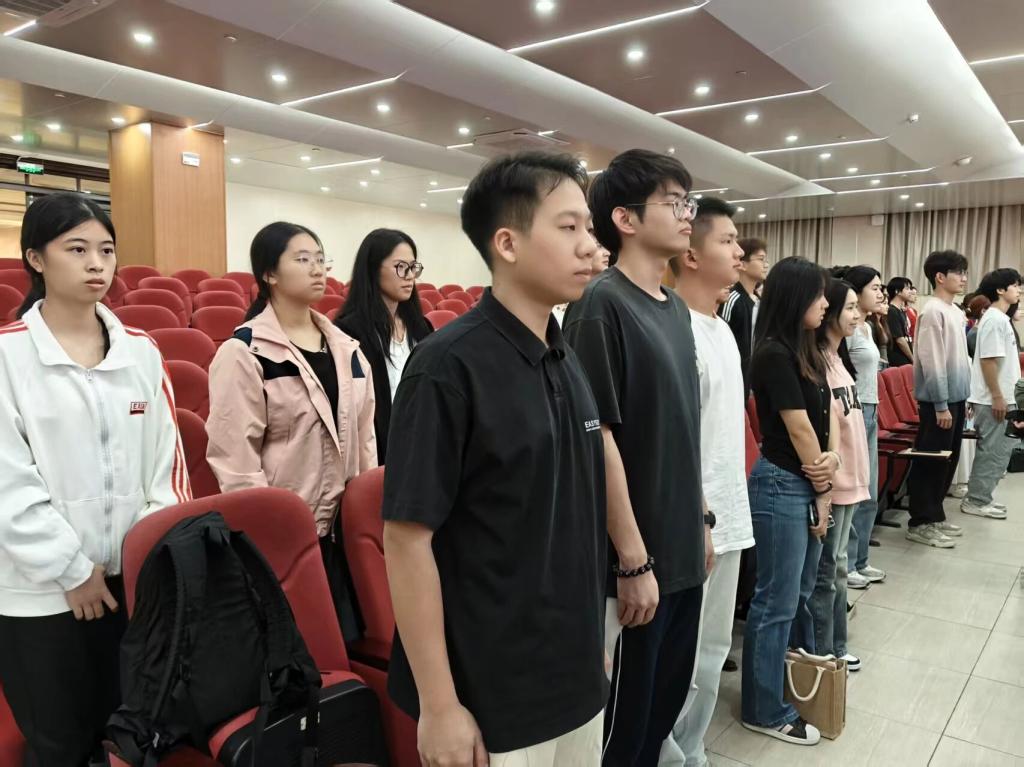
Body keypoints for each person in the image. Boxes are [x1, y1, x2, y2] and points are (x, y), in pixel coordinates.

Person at [382, 152, 608, 767]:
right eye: (568, 227)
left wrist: (589, 640)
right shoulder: (446, 367)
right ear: (507, 243)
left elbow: (572, 518)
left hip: (571, 672)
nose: (590, 247)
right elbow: (406, 541)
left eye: (588, 228)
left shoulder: (563, 354)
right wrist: (439, 706)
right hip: (494, 693)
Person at [0, 192, 189, 765]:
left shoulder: (141, 352)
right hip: (41, 593)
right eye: (77, 249)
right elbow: (8, 483)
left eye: (106, 250)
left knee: (129, 736)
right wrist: (72, 570)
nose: (96, 264)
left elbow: (167, 465)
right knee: (59, 742)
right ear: (36, 258)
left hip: (130, 586)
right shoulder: (8, 357)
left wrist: (144, 561)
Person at [564, 148, 711, 766]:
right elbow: (597, 437)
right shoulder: (600, 304)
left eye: (688, 202)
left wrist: (701, 520)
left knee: (659, 714)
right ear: (624, 219)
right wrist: (632, 558)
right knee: (622, 730)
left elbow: (681, 429)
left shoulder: (674, 307)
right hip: (636, 561)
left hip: (681, 547)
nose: (687, 214)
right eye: (673, 203)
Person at [206, 221, 377, 640]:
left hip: (342, 534)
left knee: (345, 647)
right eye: (302, 259)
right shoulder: (244, 353)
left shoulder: (348, 350)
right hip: (283, 539)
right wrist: (269, 533)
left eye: (320, 259)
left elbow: (365, 442)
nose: (318, 269)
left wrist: (365, 516)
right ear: (269, 273)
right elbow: (236, 461)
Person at [664, 197, 753, 766]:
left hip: (729, 512)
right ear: (691, 255)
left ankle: (692, 750)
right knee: (677, 656)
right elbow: (672, 442)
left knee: (712, 650)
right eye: (727, 241)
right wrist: (697, 517)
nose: (739, 252)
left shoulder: (721, 328)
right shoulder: (674, 328)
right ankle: (665, 753)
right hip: (690, 521)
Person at [741, 256, 838, 747]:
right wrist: (823, 487)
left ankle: (782, 684)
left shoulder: (808, 350)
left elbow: (828, 413)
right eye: (818, 295)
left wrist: (832, 463)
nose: (825, 304)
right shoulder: (772, 354)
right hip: (782, 482)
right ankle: (761, 709)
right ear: (795, 298)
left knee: (795, 594)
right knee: (775, 602)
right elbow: (798, 428)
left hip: (807, 479)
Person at [805, 278, 869, 672]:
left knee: (838, 567)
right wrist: (826, 488)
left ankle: (835, 646)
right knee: (828, 571)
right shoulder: (815, 362)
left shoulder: (837, 358)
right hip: (834, 484)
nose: (857, 314)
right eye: (849, 307)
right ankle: (825, 650)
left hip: (851, 480)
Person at [334, 228, 433, 463]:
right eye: (400, 267)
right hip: (378, 448)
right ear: (373, 269)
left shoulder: (421, 327)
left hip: (423, 439)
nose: (410, 276)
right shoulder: (349, 331)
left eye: (413, 267)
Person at [906, 250, 971, 547]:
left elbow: (960, 360)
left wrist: (963, 398)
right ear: (940, 277)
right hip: (937, 402)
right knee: (931, 460)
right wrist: (941, 404)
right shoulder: (932, 311)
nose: (964, 278)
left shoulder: (955, 310)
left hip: (955, 398)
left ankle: (935, 515)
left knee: (948, 460)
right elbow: (932, 362)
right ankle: (920, 522)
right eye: (959, 272)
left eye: (965, 272)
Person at [841, 266, 888, 591]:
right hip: (854, 410)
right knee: (855, 490)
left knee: (869, 489)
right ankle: (846, 564)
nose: (880, 293)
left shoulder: (868, 327)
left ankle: (860, 560)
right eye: (874, 287)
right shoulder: (848, 328)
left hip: (871, 408)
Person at [963, 268, 1022, 518]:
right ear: (1000, 289)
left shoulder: (1000, 319)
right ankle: (976, 500)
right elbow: (988, 361)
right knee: (993, 451)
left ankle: (982, 497)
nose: (1019, 290)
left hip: (1002, 396)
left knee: (1001, 450)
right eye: (1015, 285)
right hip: (993, 399)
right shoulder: (995, 319)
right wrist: (998, 397)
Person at [719, 236, 768, 395]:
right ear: (743, 264)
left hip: (753, 381)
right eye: (760, 259)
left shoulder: (759, 300)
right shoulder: (732, 299)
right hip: (735, 381)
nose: (766, 264)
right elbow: (722, 341)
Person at [886, 277, 914, 367]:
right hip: (898, 360)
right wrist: (912, 358)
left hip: (905, 358)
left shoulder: (901, 311)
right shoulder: (892, 311)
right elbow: (900, 340)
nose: (910, 291)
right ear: (897, 291)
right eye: (907, 288)